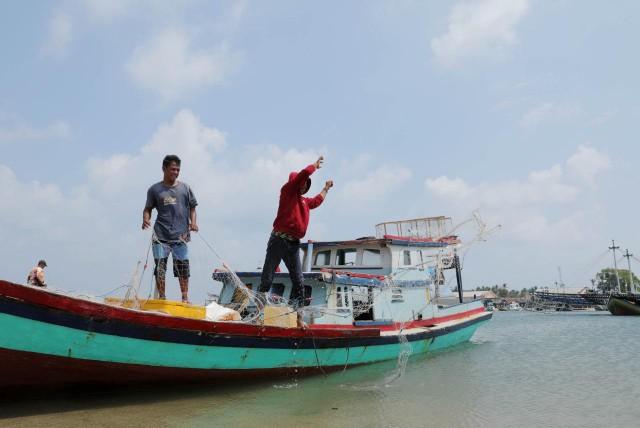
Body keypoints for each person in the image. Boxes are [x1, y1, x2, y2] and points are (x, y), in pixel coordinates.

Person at [259, 155, 333, 308]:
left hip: (293, 244)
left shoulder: (304, 201)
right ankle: (258, 310)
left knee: (298, 280)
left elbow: (317, 201)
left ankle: (299, 315)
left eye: (306, 185)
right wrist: (314, 166)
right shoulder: (287, 192)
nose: (305, 185)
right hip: (278, 240)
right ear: (296, 182)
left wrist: (326, 189)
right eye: (303, 183)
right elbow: (303, 173)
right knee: (267, 276)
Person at [142, 155, 198, 303]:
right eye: (172, 169)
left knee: (183, 269)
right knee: (160, 268)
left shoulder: (185, 188)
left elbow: (193, 207)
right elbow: (147, 209)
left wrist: (193, 223)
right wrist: (145, 219)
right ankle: (162, 297)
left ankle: (185, 298)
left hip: (181, 236)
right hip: (160, 236)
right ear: (164, 169)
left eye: (178, 170)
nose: (175, 172)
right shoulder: (154, 189)